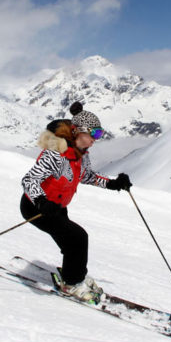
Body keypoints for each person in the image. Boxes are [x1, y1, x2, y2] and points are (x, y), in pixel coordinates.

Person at [20, 102, 132, 303]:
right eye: (94, 134)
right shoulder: (55, 153)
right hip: (37, 208)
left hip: (57, 208)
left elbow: (87, 176)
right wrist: (41, 201)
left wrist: (113, 184)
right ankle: (71, 283)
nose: (96, 139)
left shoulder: (81, 155)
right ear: (79, 131)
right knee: (77, 238)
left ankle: (74, 274)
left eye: (99, 134)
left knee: (71, 242)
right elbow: (29, 180)